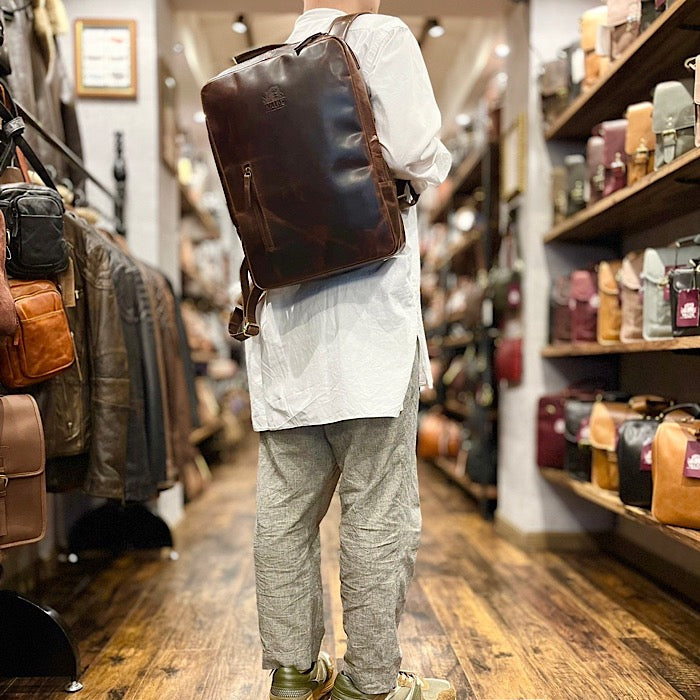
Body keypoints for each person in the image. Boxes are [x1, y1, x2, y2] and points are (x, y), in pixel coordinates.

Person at [247, 2, 454, 698]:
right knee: (375, 510)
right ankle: (372, 682)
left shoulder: (262, 70)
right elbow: (417, 150)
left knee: (286, 513)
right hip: (368, 319)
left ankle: (293, 672)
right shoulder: (379, 35)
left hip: (286, 328)